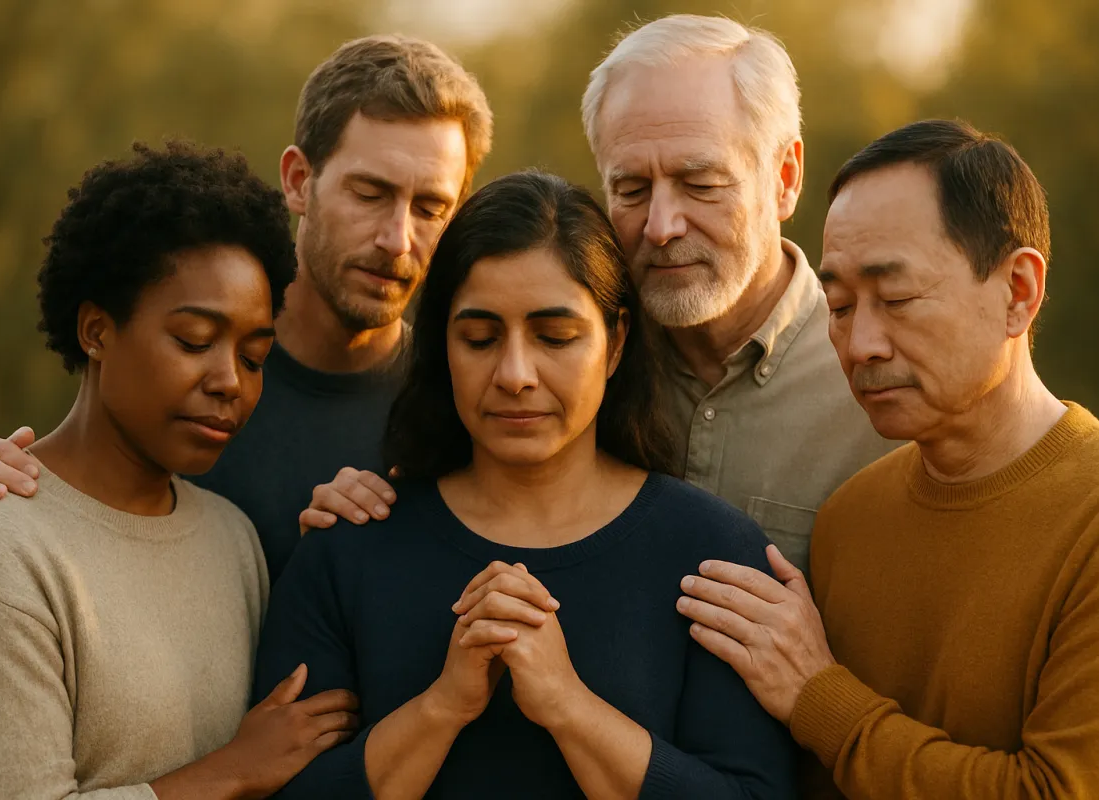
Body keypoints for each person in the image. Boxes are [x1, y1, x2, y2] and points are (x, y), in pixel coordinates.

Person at [253, 171, 796, 798]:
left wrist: (568, 706)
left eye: (555, 337)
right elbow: (277, 789)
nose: (515, 374)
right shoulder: (349, 548)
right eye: (480, 338)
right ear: (442, 347)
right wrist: (443, 706)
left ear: (616, 343)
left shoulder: (711, 557)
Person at [299, 15, 895, 575]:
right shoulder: (555, 365)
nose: (662, 226)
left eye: (700, 183)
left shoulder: (878, 383)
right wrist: (368, 514)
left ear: (785, 177)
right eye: (631, 188)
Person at [671, 120, 1099, 798]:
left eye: (896, 299)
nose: (861, 344)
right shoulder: (850, 518)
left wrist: (821, 699)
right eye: (838, 306)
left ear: (1018, 291)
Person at [0, 34, 493, 585]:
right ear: (300, 181)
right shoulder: (174, 380)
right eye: (371, 194)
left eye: (430, 208)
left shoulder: (466, 403)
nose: (399, 239)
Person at [0, 142, 356, 798]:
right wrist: (234, 771)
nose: (229, 382)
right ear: (96, 331)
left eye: (254, 358)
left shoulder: (232, 540)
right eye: (194, 341)